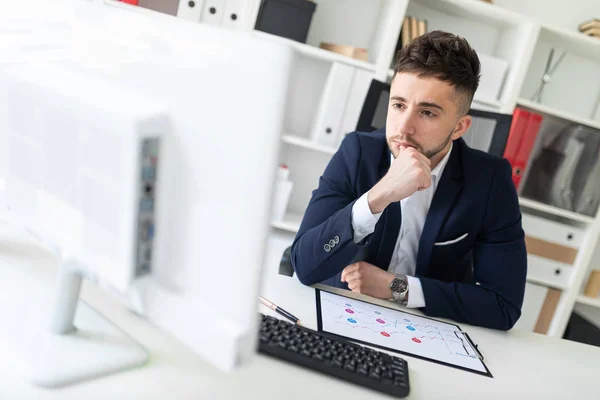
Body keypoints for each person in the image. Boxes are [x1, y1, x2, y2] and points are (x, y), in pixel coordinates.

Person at [290, 30, 527, 330]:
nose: (404, 128)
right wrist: (380, 195)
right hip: (347, 314)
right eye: (399, 105)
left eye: (427, 112)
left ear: (459, 127)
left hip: (431, 329)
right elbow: (304, 265)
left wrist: (396, 287)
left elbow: (503, 306)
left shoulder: (491, 181)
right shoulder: (356, 153)